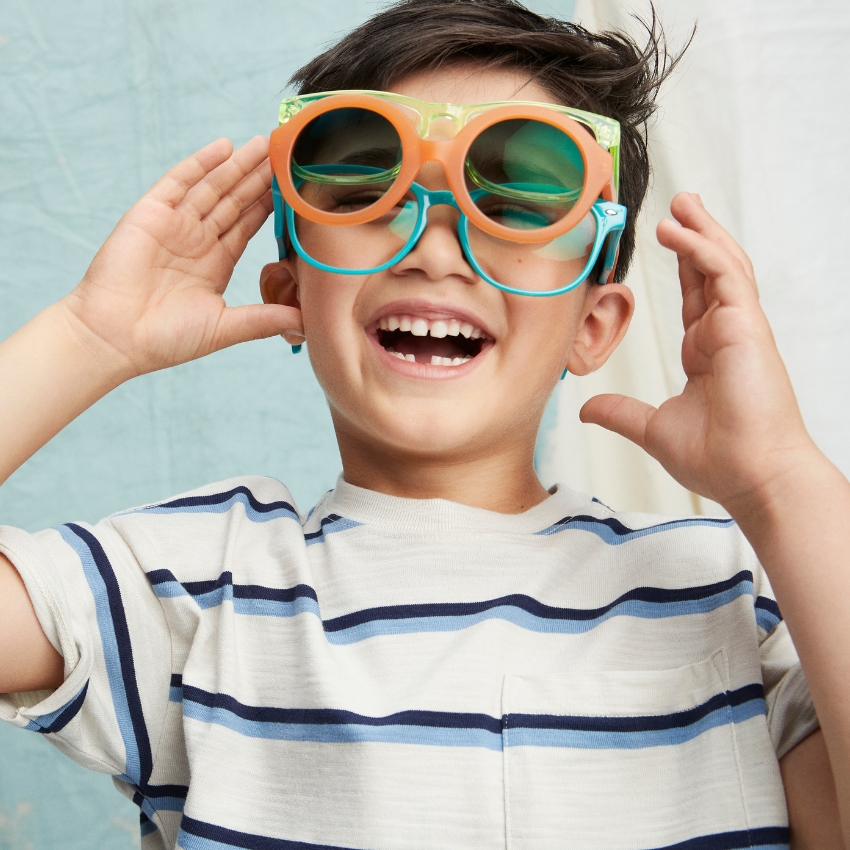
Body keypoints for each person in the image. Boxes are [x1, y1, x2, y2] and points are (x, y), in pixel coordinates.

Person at [0, 0, 847, 847]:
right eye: (369, 196)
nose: (434, 250)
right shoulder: (196, 589)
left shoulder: (731, 602)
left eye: (518, 206)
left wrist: (782, 479)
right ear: (292, 291)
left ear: (594, 326)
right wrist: (90, 339)